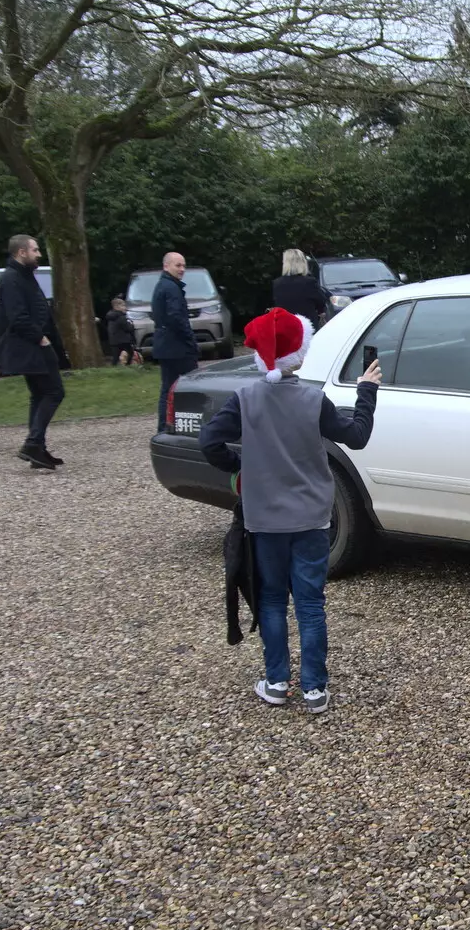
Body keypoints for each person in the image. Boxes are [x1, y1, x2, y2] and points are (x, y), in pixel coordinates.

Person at [199, 307, 381, 714]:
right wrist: (367, 390)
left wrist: (240, 467)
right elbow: (357, 435)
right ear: (301, 353)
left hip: (265, 518)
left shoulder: (244, 399)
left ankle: (277, 680)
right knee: (311, 603)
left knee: (271, 600)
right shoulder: (313, 400)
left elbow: (210, 442)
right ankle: (315, 688)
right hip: (313, 516)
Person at [0, 234, 65, 470]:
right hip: (29, 346)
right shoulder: (11, 279)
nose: (39, 254)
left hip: (34, 345)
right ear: (21, 252)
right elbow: (17, 316)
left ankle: (38, 448)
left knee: (39, 394)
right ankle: (33, 444)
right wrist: (41, 338)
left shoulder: (24, 276)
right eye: (35, 250)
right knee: (54, 392)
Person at [151, 251, 199, 432]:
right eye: (178, 265)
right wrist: (190, 340)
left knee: (168, 387)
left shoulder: (163, 286)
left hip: (166, 344)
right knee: (188, 384)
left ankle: (166, 425)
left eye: (183, 265)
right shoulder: (170, 288)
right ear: (166, 266)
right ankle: (173, 425)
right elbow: (176, 318)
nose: (182, 269)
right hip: (176, 346)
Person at [271, 248, 330, 329]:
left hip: (285, 326)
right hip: (307, 326)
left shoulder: (277, 283)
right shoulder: (309, 282)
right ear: (303, 262)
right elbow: (321, 301)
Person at [104, 296, 139, 366]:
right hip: (123, 340)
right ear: (117, 307)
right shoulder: (121, 317)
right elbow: (127, 328)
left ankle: (113, 367)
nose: (125, 308)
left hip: (113, 340)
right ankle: (128, 365)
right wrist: (131, 325)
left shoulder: (111, 316)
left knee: (115, 356)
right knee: (130, 352)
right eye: (123, 306)